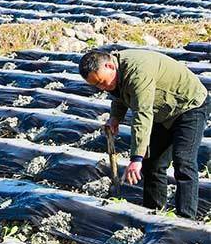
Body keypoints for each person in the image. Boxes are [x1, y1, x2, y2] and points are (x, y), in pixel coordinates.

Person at [79, 49, 209, 219]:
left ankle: (186, 221)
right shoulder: (115, 73)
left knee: (183, 161)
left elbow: (142, 113)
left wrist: (136, 158)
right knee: (153, 163)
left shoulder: (137, 72)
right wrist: (115, 117)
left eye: (103, 82)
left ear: (110, 65)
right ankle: (152, 215)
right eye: (97, 86)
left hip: (190, 106)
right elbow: (119, 94)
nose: (103, 88)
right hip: (163, 110)